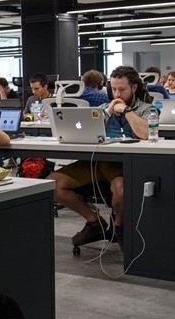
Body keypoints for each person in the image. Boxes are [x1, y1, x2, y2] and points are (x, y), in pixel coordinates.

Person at [48, 66, 156, 249]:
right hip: (97, 162)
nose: (117, 94)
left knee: (120, 190)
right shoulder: (103, 109)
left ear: (134, 87)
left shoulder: (147, 108)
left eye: (122, 89)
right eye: (114, 89)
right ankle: (94, 222)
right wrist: (107, 112)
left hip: (123, 164)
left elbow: (146, 134)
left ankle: (119, 227)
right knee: (52, 184)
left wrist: (126, 110)